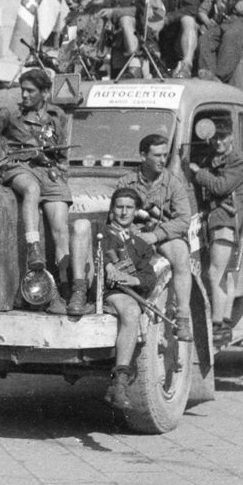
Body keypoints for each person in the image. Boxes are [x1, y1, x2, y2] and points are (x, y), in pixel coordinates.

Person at [76, 133, 197, 341]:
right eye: (157, 155)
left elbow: (183, 219)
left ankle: (183, 318)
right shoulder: (126, 181)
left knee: (181, 255)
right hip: (133, 233)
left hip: (164, 235)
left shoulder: (173, 183)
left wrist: (155, 235)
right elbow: (116, 213)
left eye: (164, 155)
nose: (162, 160)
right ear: (143, 156)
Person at [0, 68, 75, 311]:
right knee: (30, 189)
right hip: (18, 167)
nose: (25, 95)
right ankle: (34, 249)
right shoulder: (9, 114)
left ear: (45, 92)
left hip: (48, 172)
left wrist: (59, 171)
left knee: (60, 227)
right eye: (23, 90)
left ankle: (62, 287)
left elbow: (61, 154)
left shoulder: (57, 116)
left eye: (31, 91)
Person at [95, 188, 162, 410]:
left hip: (125, 293)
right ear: (112, 210)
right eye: (119, 207)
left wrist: (130, 280)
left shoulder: (141, 244)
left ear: (135, 212)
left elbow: (149, 278)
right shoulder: (101, 233)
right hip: (101, 292)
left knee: (132, 310)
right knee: (130, 309)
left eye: (129, 208)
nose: (123, 212)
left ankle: (120, 382)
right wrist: (108, 267)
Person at [188, 119, 243, 347]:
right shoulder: (218, 159)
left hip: (225, 221)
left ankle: (216, 327)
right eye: (215, 137)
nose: (218, 142)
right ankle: (224, 325)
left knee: (214, 274)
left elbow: (220, 187)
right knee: (224, 276)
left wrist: (198, 172)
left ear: (232, 137)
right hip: (219, 221)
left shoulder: (238, 160)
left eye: (223, 137)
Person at [48, 0, 108, 77]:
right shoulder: (71, 17)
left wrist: (82, 49)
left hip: (88, 72)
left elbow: (99, 50)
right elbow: (66, 49)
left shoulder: (96, 13)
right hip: (68, 71)